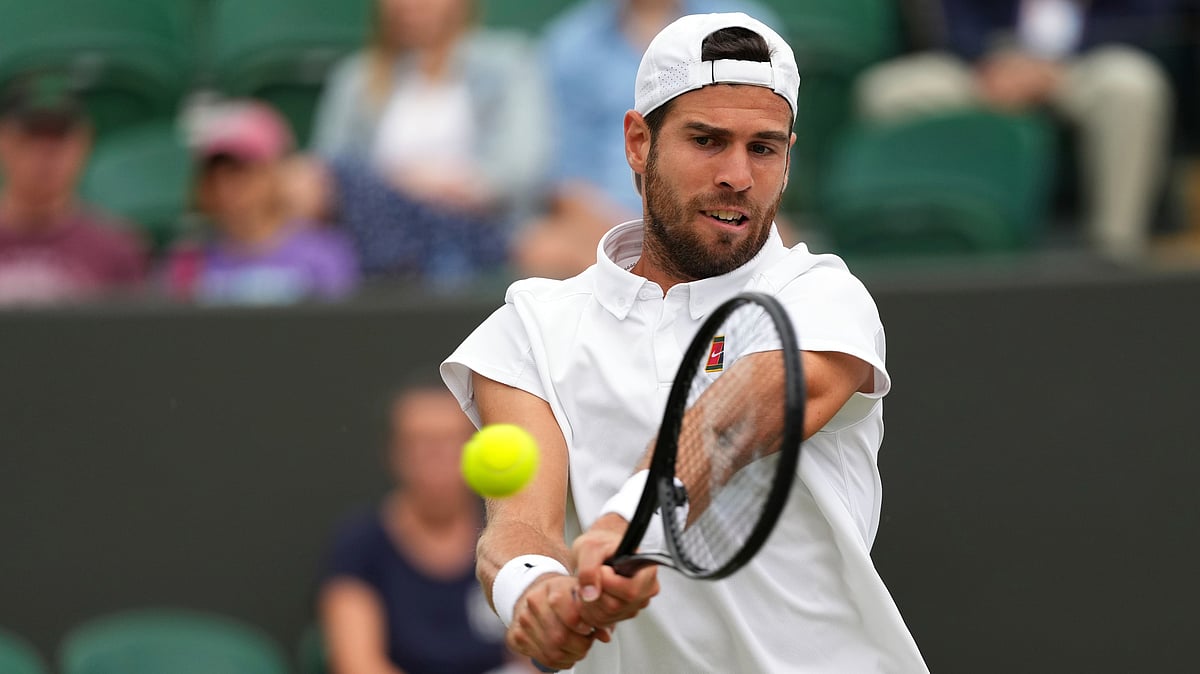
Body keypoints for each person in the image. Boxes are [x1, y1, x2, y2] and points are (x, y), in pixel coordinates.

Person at [441, 12, 928, 673]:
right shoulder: (532, 325)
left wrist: (625, 525)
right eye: (708, 140)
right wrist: (536, 591)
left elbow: (740, 413)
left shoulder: (821, 296)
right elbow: (517, 527)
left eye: (764, 148)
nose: (738, 175)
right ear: (639, 143)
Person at [855, 0, 1176, 262]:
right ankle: (910, 240)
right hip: (989, 67)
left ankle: (1116, 248)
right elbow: (956, 20)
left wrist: (1051, 67)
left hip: (1081, 63)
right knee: (886, 92)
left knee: (1132, 86)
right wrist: (994, 62)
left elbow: (1145, 21)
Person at [515, 0, 783, 279]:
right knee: (542, 249)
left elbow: (767, 151)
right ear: (635, 140)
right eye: (704, 140)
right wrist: (635, 243)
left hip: (719, 208)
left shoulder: (747, 26)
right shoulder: (569, 43)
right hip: (597, 223)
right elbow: (564, 180)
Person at [305, 0, 552, 288]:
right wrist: (407, 184)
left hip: (483, 230)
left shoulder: (509, 62)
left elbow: (519, 169)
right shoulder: (355, 78)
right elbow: (326, 174)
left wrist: (441, 186)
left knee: (547, 248)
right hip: (376, 233)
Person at [319, 380, 528, 674]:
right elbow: (357, 664)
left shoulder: (511, 536)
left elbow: (532, 657)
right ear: (393, 453)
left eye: (449, 443)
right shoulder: (360, 544)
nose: (436, 459)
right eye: (419, 444)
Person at [166, 100, 358, 304]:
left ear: (274, 173)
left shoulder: (324, 254)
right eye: (214, 175)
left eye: (241, 171)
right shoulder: (189, 261)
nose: (225, 187)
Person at [0, 72, 146, 305]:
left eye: (59, 137)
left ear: (83, 143)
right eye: (32, 136)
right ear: (4, 141)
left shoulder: (114, 249)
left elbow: (130, 337)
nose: (46, 154)